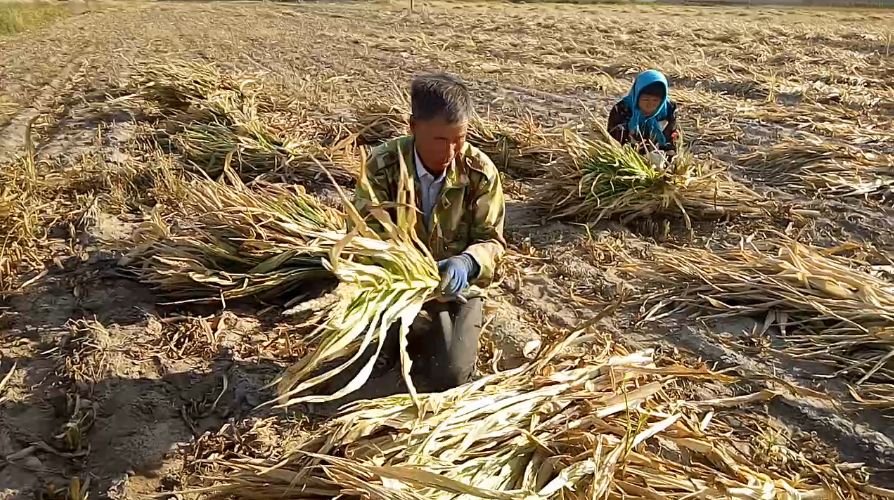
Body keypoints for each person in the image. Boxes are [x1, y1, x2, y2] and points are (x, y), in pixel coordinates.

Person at [350, 73, 506, 395]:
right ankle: (404, 331)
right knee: (369, 358)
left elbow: (492, 240)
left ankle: (430, 329)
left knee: (450, 374)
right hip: (394, 286)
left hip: (456, 287)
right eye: (439, 140)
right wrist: (407, 273)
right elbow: (365, 237)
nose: (451, 151)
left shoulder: (480, 171)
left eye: (459, 138)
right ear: (413, 127)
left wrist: (468, 262)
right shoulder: (383, 166)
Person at [608, 69, 680, 160]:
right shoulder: (622, 110)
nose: (650, 104)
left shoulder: (668, 111)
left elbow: (671, 140)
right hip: (629, 157)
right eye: (645, 99)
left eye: (655, 100)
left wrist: (665, 158)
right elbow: (615, 140)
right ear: (637, 95)